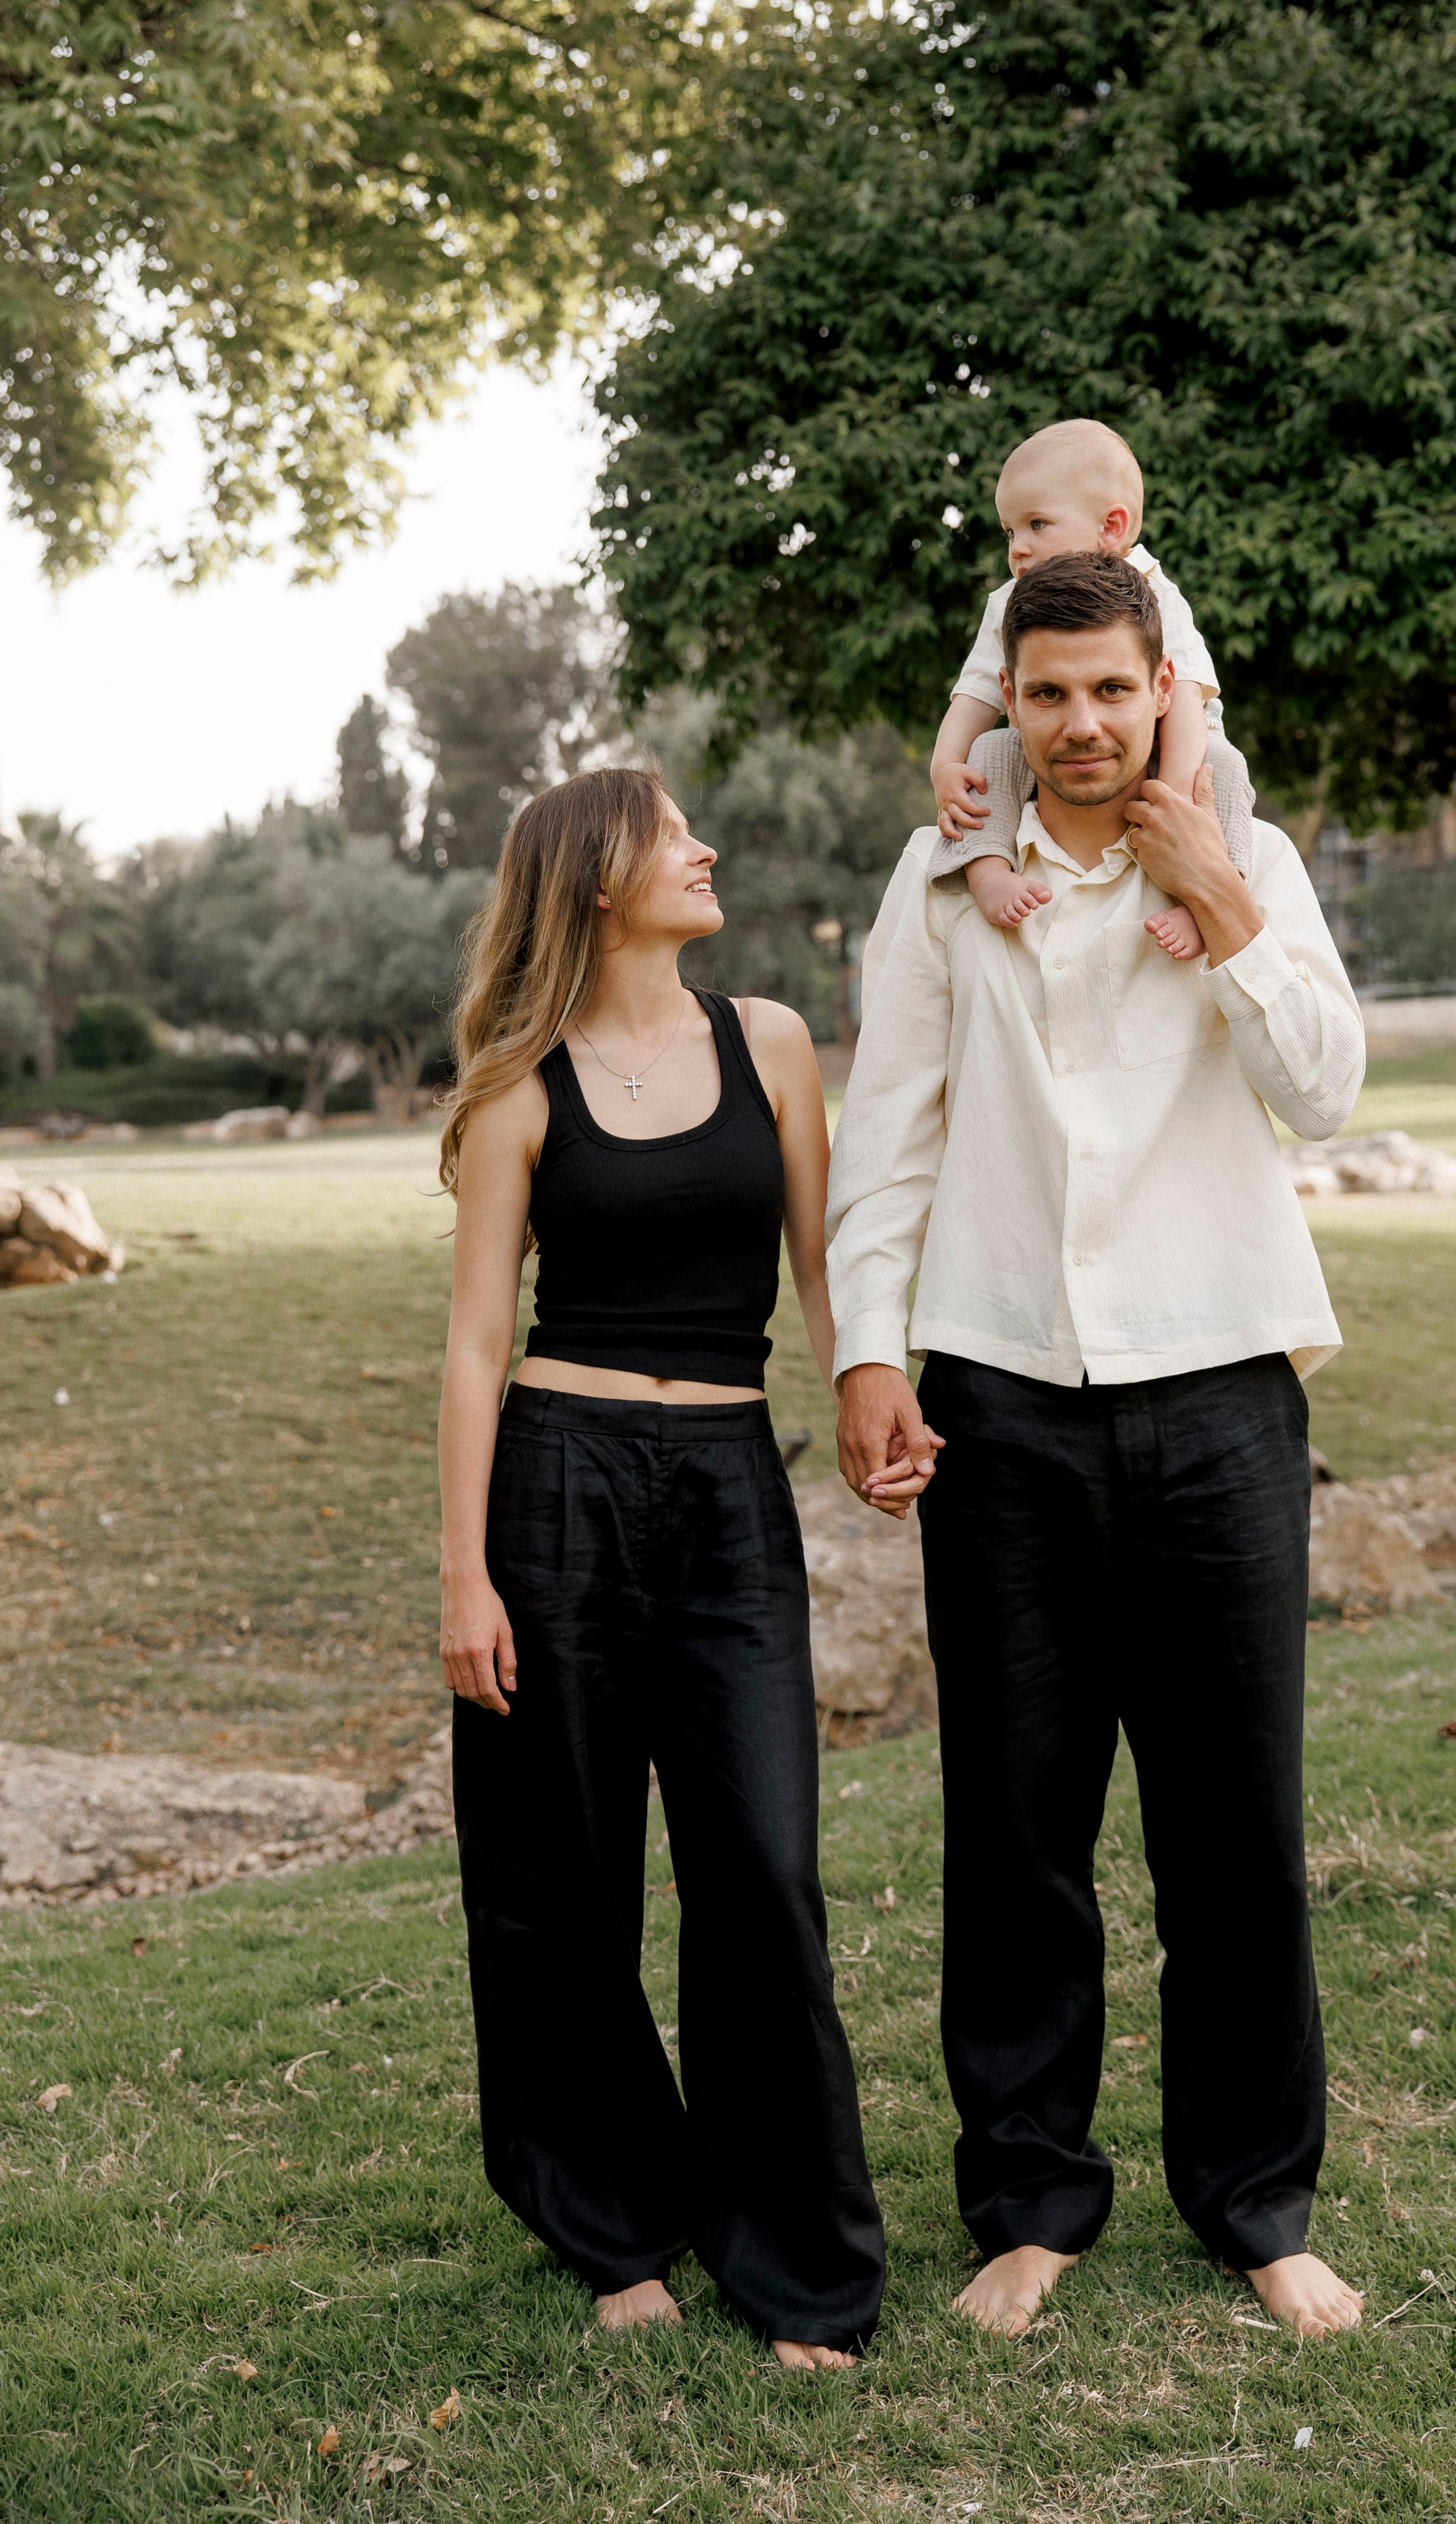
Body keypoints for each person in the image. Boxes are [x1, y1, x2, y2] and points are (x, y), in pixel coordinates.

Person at [829, 551, 1367, 2341]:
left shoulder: (1247, 858)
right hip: (995, 1396)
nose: (1076, 724)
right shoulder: (937, 881)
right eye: (1044, 691)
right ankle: (1029, 2199)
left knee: (1233, 1829)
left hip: (1219, 1387)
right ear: (1011, 695)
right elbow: (887, 1132)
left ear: (1160, 692)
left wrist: (1216, 897)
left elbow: (1321, 1086)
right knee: (1013, 1825)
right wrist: (864, 1349)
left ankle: (1254, 2200)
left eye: (1107, 691)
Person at [435, 766, 886, 2368]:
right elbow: (481, 1337)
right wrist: (462, 1576)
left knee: (759, 1869)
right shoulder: (519, 1082)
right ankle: (612, 2219)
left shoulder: (766, 1040)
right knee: (559, 1879)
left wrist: (865, 1393)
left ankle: (794, 2257)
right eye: (670, 834)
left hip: (726, 1483)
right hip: (555, 1486)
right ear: (595, 878)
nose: (704, 848)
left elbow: (828, 1267)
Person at [926, 418, 1254, 955]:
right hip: (1051, 756)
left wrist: (1171, 807)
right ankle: (986, 872)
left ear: (1111, 528)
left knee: (1226, 770)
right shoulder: (1009, 601)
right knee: (989, 751)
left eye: (1037, 525)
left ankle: (1208, 896)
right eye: (1010, 532)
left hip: (1172, 751)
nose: (1019, 548)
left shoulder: (1156, 594)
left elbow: (1187, 705)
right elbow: (976, 693)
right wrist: (944, 768)